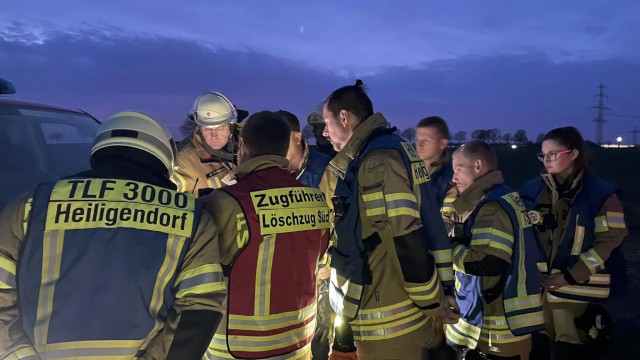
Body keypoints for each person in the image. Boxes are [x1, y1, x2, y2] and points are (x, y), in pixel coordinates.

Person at [0, 111, 227, 359]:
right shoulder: (191, 217)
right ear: (164, 158)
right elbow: (200, 309)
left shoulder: (29, 207)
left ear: (98, 152)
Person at [322, 80, 442, 360]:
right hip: (389, 310)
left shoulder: (378, 162)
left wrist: (431, 302)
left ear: (344, 117)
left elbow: (404, 235)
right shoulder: (385, 149)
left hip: (387, 317)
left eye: (327, 122)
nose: (325, 132)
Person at [203, 111, 331, 359]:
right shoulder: (316, 201)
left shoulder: (226, 202)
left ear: (241, 146)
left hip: (237, 347)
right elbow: (321, 262)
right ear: (286, 148)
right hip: (299, 342)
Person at [519, 127, 627, 359]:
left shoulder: (602, 195)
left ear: (574, 154)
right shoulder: (531, 190)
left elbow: (609, 241)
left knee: (570, 346)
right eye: (543, 155)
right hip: (538, 289)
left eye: (553, 154)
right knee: (536, 344)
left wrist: (570, 275)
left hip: (577, 290)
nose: (546, 160)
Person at [443, 140, 544, 360]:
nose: (453, 177)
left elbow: (487, 262)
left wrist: (447, 249)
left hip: (498, 327)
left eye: (458, 168)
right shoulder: (502, 197)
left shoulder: (491, 207)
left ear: (478, 166)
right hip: (501, 321)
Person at [414, 116, 457, 359]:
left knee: (436, 338)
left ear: (442, 143)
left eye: (425, 140)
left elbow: (445, 226)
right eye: (417, 140)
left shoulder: (450, 181)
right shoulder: (413, 174)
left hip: (440, 271)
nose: (419, 145)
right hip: (418, 266)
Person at [173, 91, 243, 196]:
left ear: (231, 126)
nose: (213, 135)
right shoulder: (183, 161)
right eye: (207, 129)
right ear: (200, 128)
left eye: (220, 128)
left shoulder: (251, 148)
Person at [278, 110, 331, 188]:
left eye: (280, 138)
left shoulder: (327, 168)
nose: (275, 145)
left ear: (297, 138)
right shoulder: (264, 171)